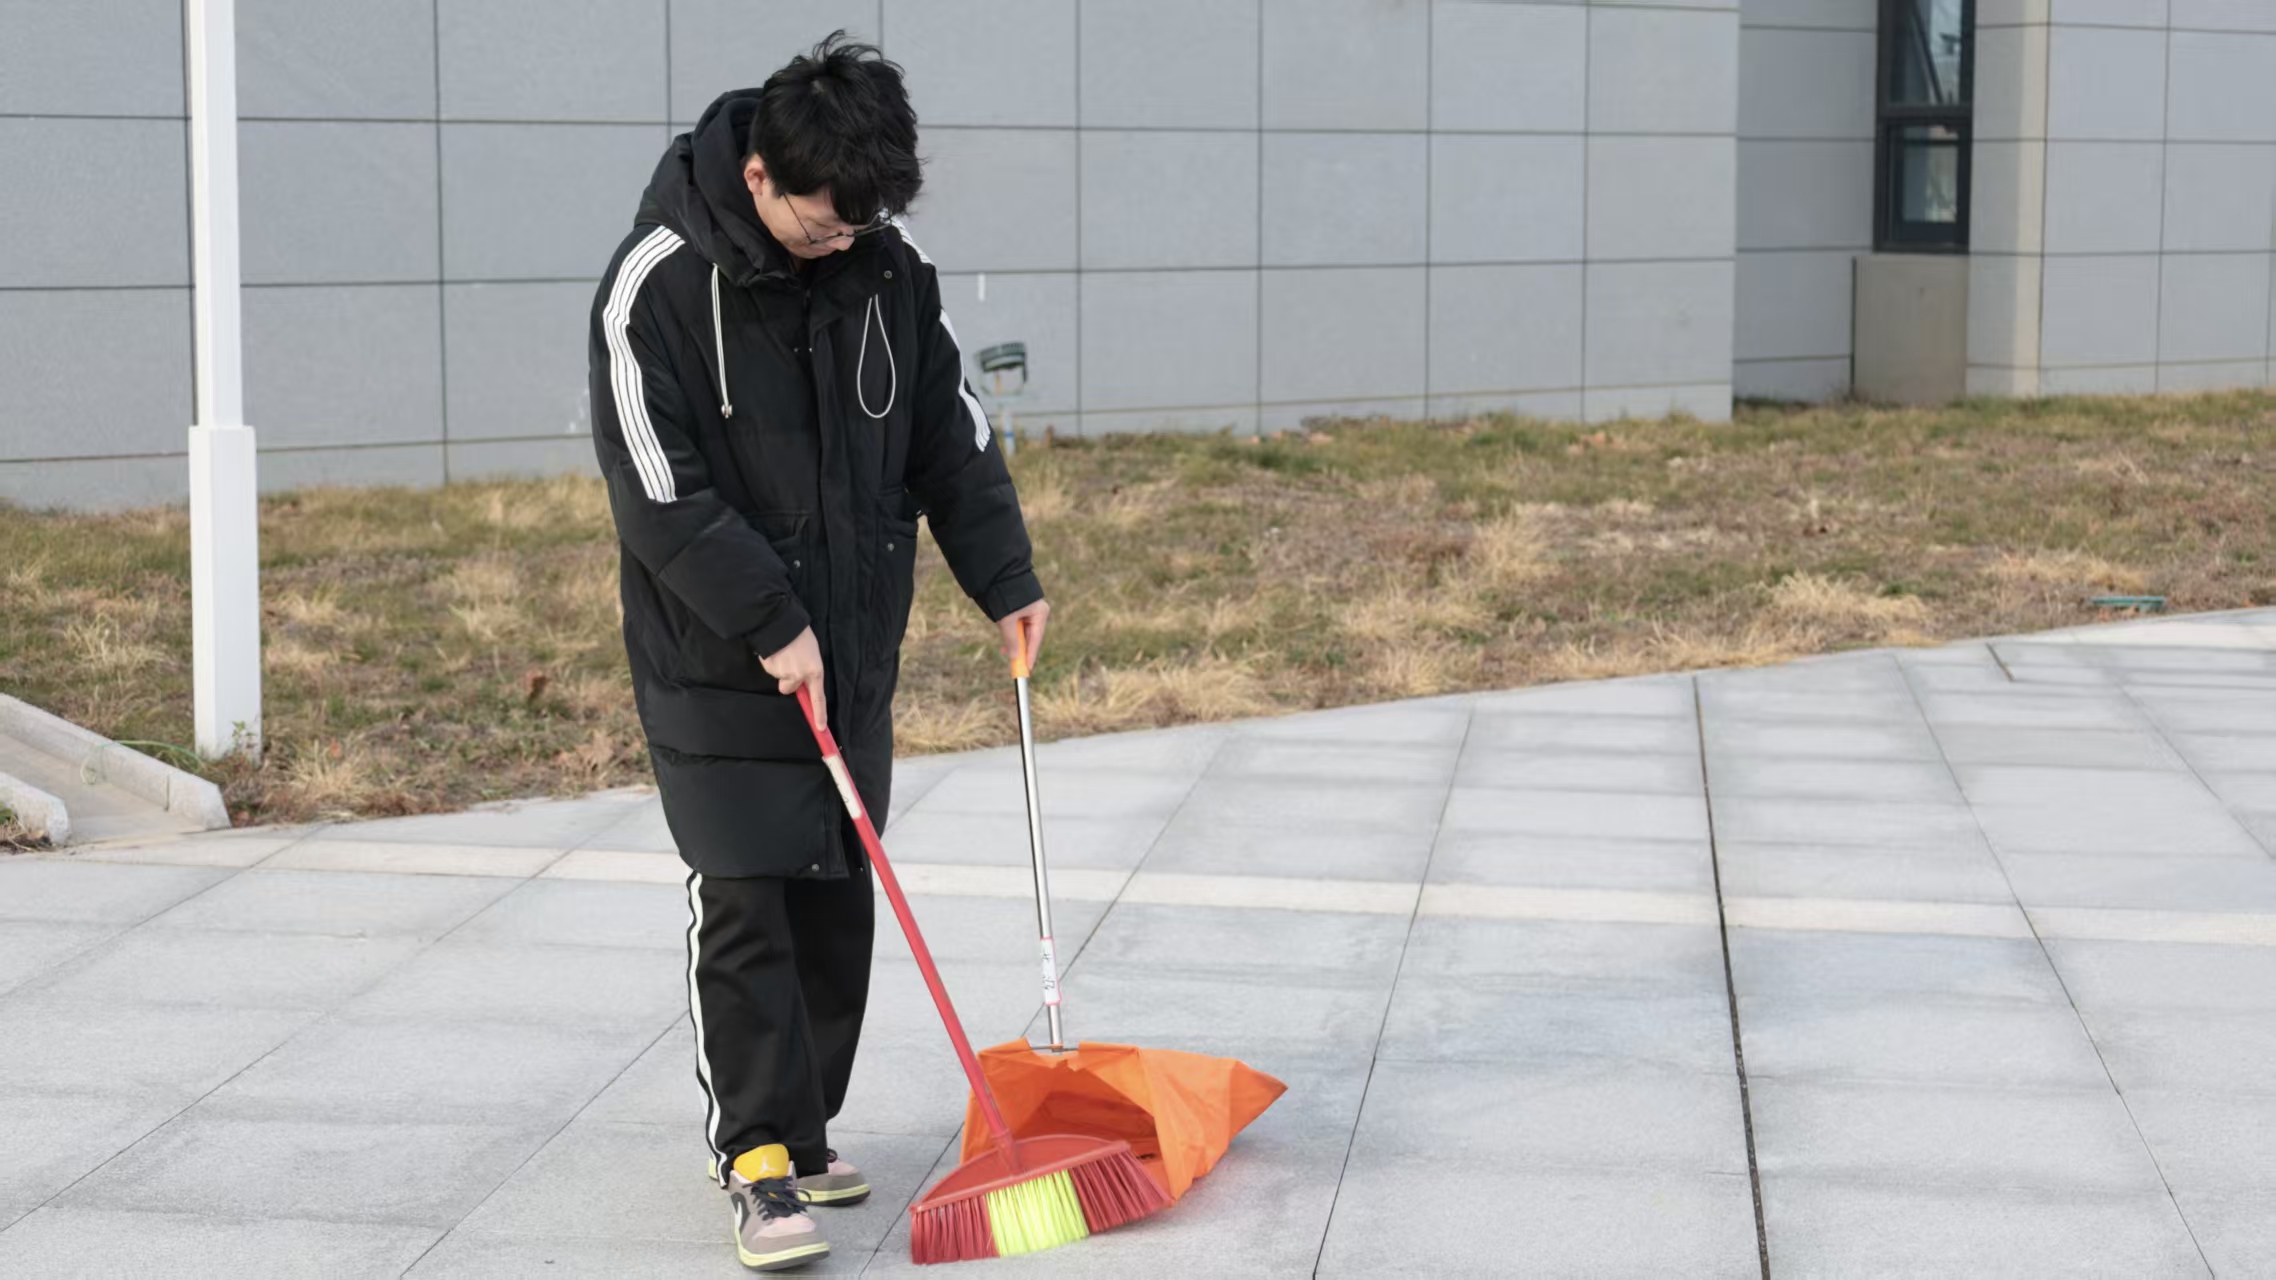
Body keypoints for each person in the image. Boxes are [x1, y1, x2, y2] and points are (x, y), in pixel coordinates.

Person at [586, 34, 1049, 1272]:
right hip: (715, 657)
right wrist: (764, 615)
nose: (841, 241)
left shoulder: (886, 268)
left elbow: (948, 432)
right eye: (821, 221)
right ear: (758, 175)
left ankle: (803, 1125)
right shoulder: (655, 284)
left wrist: (1003, 577)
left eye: (861, 222)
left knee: (838, 893)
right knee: (747, 897)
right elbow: (654, 487)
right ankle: (753, 1158)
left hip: (852, 647)